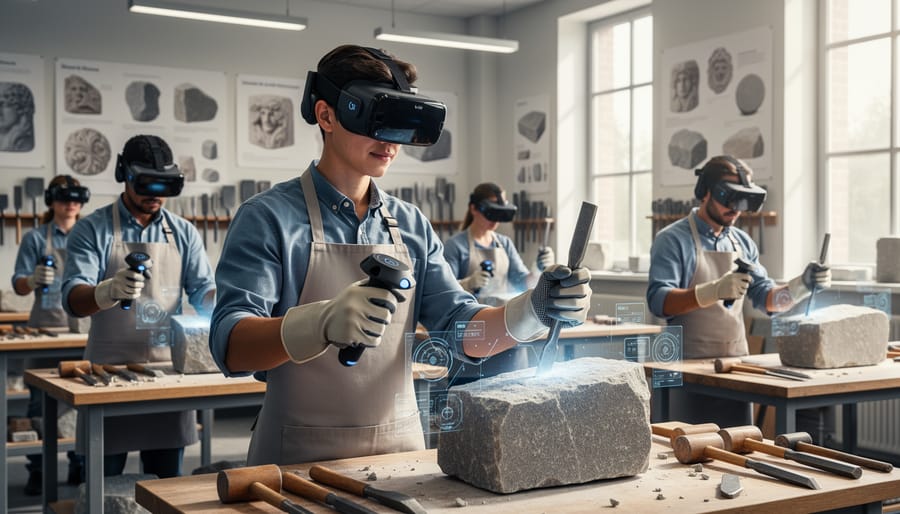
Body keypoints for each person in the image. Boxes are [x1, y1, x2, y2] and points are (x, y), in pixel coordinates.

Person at [209, 44, 592, 466]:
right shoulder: (268, 218)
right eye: (377, 121)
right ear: (326, 115)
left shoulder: (410, 224)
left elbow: (461, 329)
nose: (390, 142)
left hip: (400, 459)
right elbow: (231, 346)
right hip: (297, 463)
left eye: (400, 127)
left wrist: (532, 311)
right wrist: (319, 323)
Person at [62, 134, 216, 479]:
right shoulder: (92, 229)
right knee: (103, 484)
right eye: (148, 183)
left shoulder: (184, 233)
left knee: (167, 484)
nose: (155, 195)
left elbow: (203, 290)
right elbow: (73, 299)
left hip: (167, 375)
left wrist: (223, 300)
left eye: (165, 185)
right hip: (109, 376)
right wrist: (106, 292)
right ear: (124, 174)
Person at [646, 155, 831, 426]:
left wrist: (802, 285)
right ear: (705, 193)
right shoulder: (672, 240)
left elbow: (769, 301)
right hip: (684, 365)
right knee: (683, 449)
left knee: (737, 444)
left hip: (734, 365)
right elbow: (659, 301)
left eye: (741, 202)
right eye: (728, 199)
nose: (735, 210)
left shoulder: (743, 242)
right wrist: (711, 291)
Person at [11, 174, 89, 494]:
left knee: (81, 402)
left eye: (76, 198)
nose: (70, 204)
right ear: (51, 200)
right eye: (63, 197)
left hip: (81, 330)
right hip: (45, 329)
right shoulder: (35, 238)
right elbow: (17, 283)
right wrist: (31, 280)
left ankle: (79, 465)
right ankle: (39, 470)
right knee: (38, 405)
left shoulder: (90, 234)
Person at [442, 182, 555, 378]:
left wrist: (538, 270)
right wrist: (467, 284)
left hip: (506, 330)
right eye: (491, 212)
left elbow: (524, 284)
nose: (495, 221)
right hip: (473, 336)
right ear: (474, 209)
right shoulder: (456, 246)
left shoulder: (505, 244)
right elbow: (442, 292)